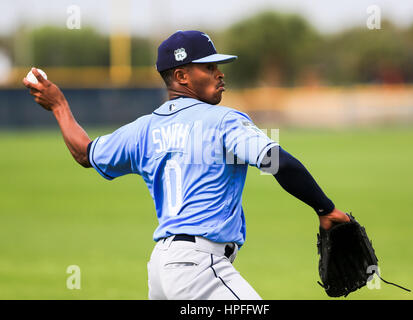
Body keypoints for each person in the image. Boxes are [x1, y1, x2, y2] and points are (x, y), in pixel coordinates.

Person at [23, 30, 349, 300]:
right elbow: (278, 162)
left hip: (162, 271)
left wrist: (59, 105)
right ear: (181, 75)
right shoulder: (224, 121)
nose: (219, 73)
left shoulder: (143, 129)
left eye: (217, 66)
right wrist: (325, 209)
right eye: (208, 68)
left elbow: (84, 152)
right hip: (200, 269)